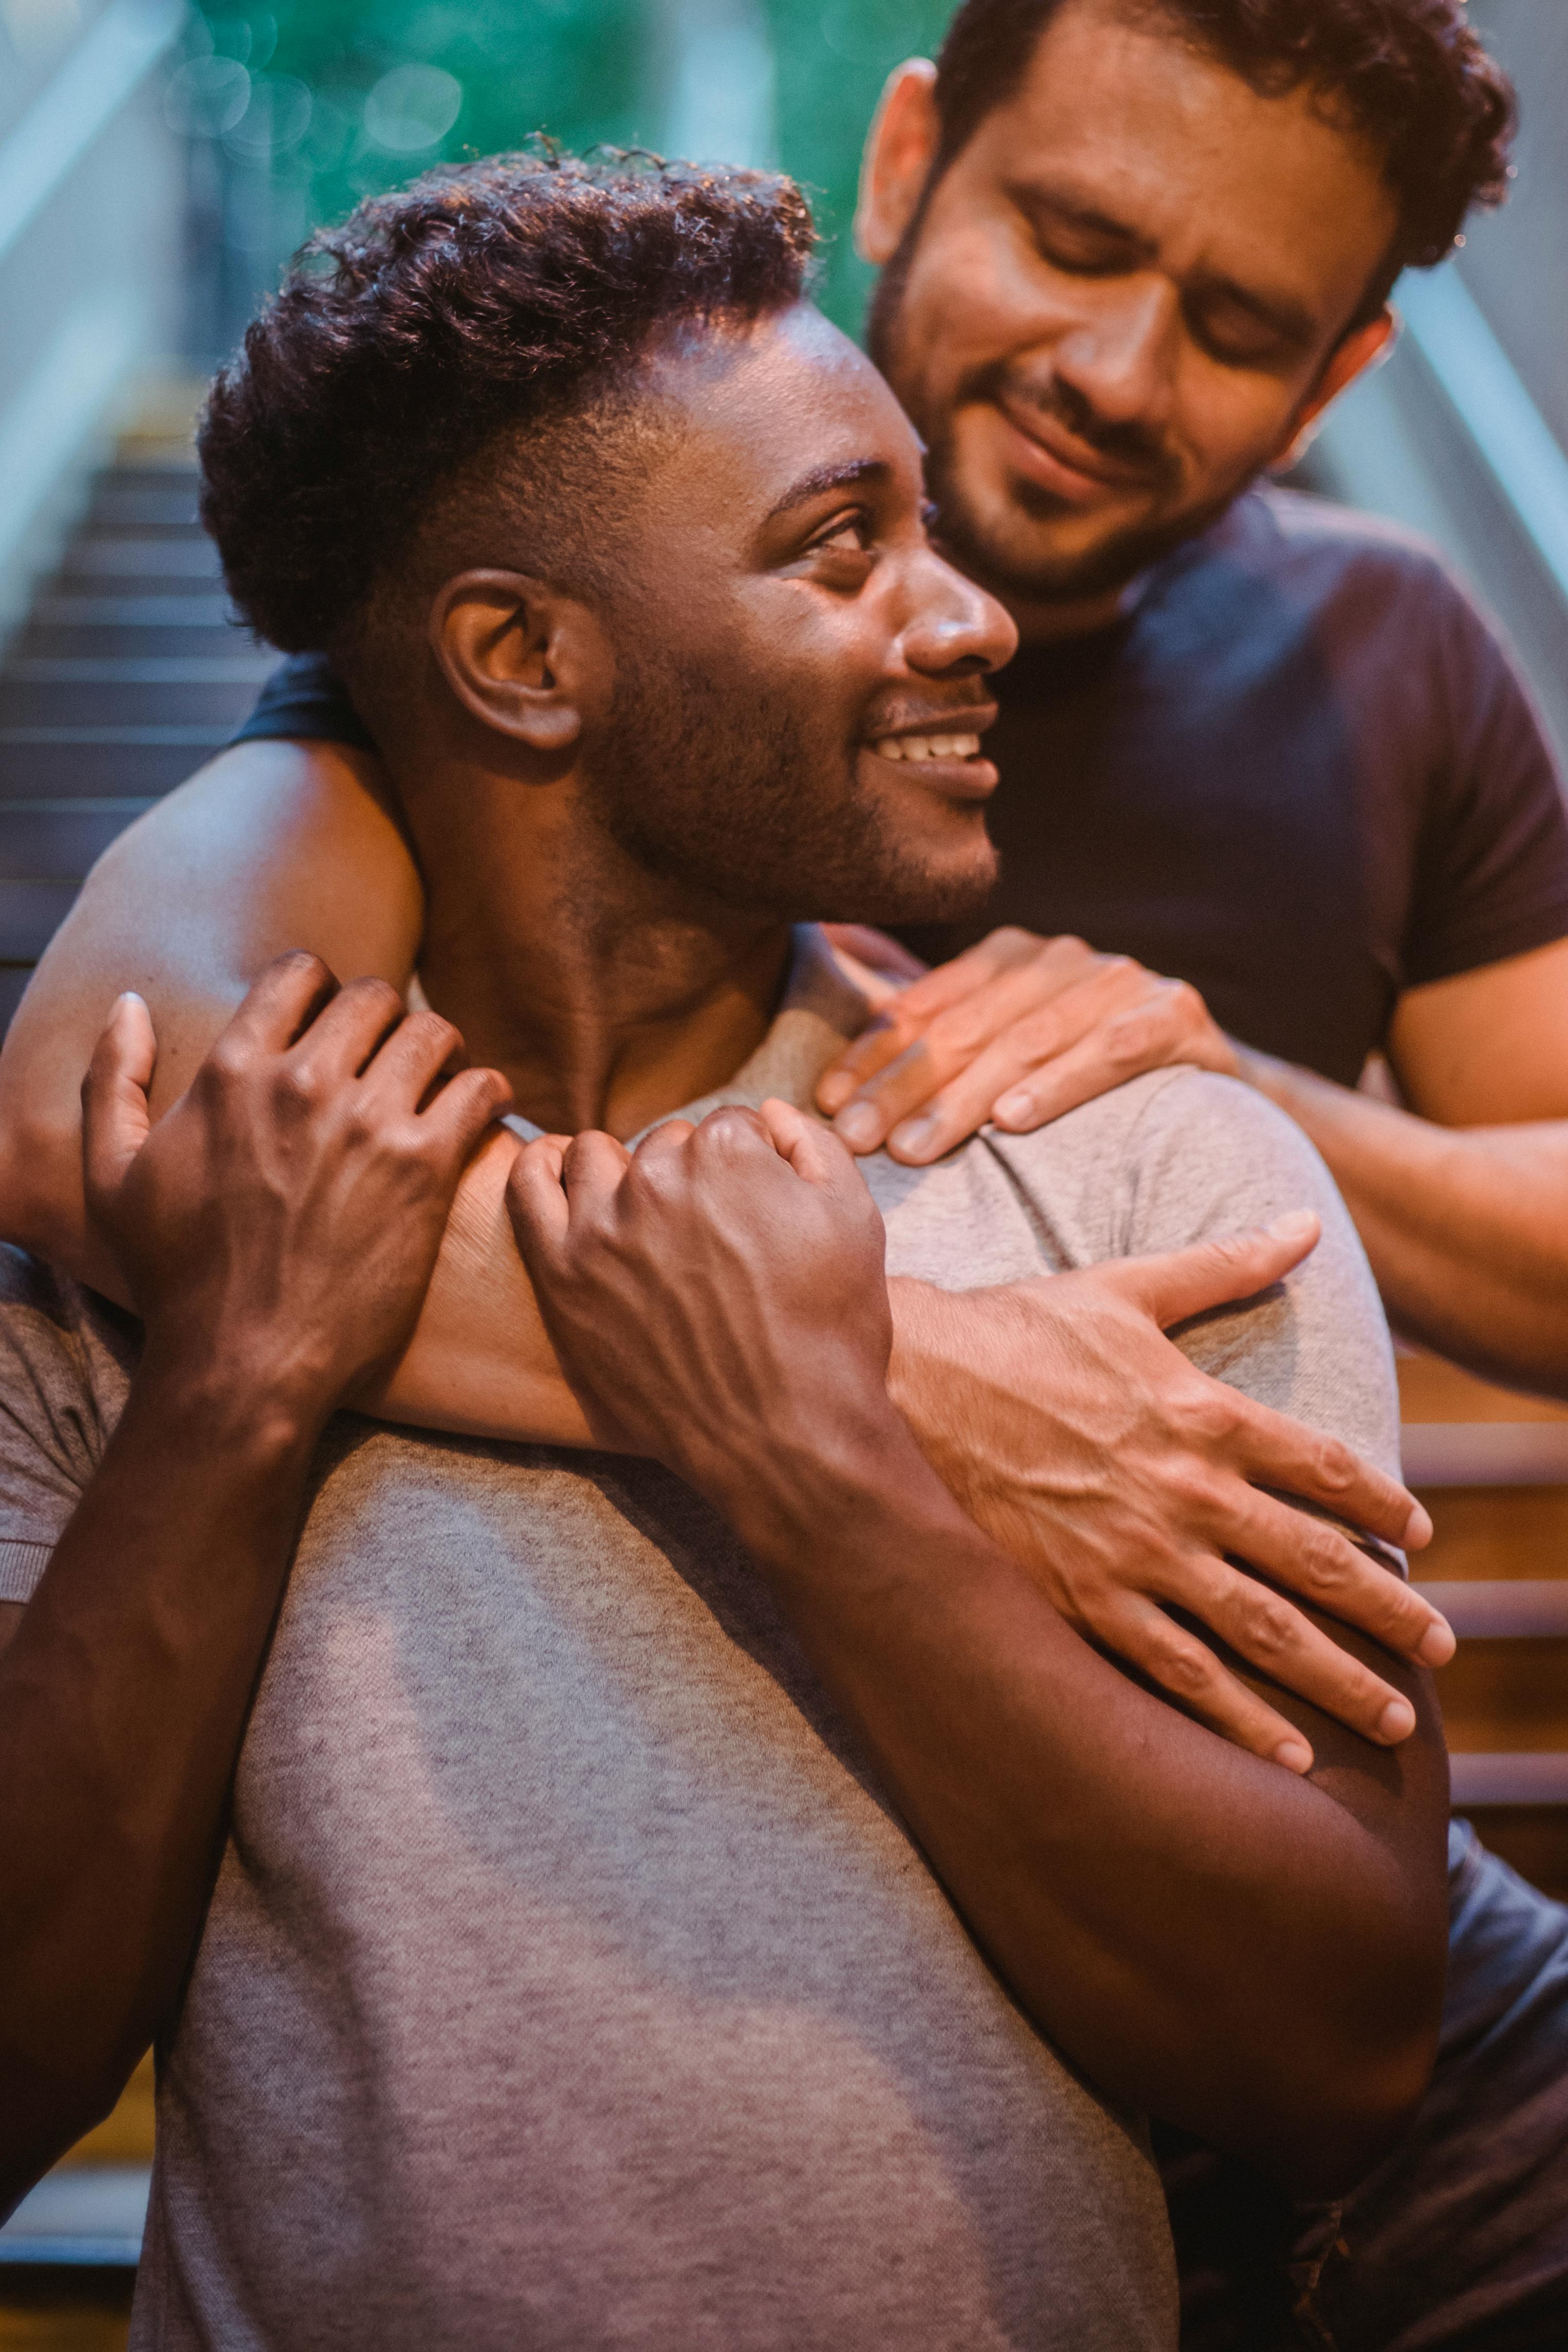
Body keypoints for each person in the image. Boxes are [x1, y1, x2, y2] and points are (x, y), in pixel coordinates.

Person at [0, 154, 1449, 2351]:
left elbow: (1336, 2061)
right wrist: (230, 1392)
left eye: (929, 534)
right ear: (518, 660)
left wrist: (824, 1450)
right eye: (841, 546)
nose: (968, 619)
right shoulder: (170, 1251)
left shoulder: (1158, 1178)